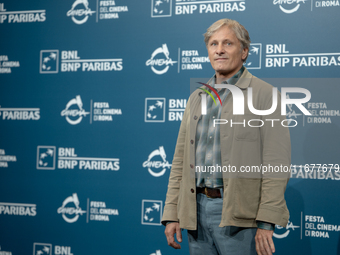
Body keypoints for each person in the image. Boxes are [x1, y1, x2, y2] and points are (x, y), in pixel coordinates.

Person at [162, 18, 291, 255]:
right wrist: (172, 212)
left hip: (241, 218)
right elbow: (180, 161)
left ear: (244, 51)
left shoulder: (265, 95)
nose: (219, 49)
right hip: (195, 213)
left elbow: (276, 164)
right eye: (213, 44)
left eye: (227, 43)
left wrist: (266, 221)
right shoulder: (197, 98)